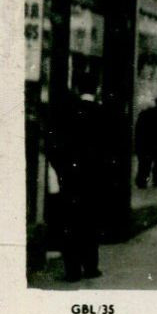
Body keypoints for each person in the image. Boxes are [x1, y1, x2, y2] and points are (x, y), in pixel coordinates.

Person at [49, 91, 108, 281]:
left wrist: (61, 171)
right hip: (94, 179)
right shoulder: (102, 112)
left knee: (70, 223)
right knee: (90, 222)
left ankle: (72, 271)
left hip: (70, 178)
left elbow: (55, 145)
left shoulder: (66, 111)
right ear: (95, 90)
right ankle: (91, 267)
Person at [133, 96, 157, 189]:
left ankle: (141, 183)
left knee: (144, 167)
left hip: (147, 146)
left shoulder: (145, 113)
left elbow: (139, 132)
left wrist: (138, 147)